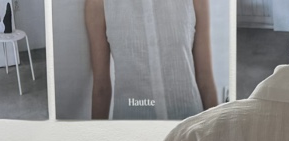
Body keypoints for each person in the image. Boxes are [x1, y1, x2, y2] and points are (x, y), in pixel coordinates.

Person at [84, 0, 218, 121]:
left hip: (187, 129)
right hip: (131, 131)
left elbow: (205, 80)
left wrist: (219, 135)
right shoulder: (98, 3)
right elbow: (101, 88)